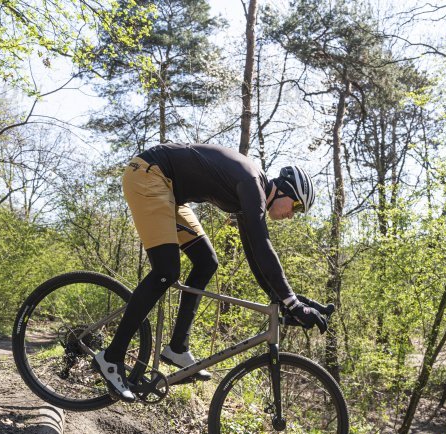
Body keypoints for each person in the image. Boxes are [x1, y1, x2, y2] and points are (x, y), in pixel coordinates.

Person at [96, 142, 329, 402]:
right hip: (149, 174)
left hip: (168, 189)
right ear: (286, 191)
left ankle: (177, 348)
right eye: (296, 207)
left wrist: (284, 299)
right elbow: (263, 247)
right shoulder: (252, 184)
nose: (292, 216)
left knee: (207, 262)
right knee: (166, 271)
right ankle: (112, 357)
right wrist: (292, 302)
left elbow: (254, 255)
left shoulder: (252, 194)